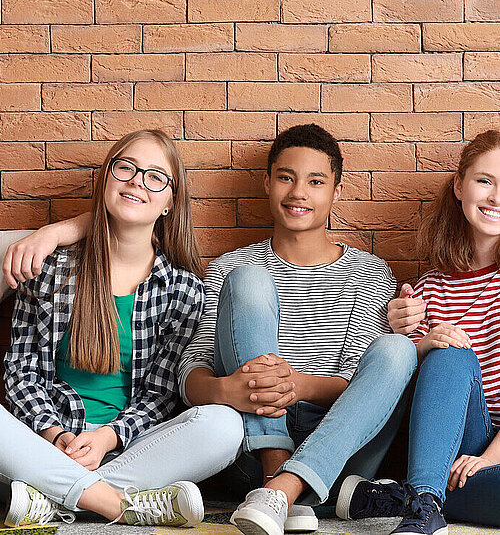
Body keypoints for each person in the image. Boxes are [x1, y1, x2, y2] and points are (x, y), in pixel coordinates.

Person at [4, 124, 417, 535]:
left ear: (337, 191)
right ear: (267, 182)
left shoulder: (368, 272)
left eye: (315, 181)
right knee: (246, 290)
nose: (298, 192)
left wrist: (296, 385)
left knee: (395, 351)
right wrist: (224, 391)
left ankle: (282, 490)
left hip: (334, 442)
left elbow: (361, 384)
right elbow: (184, 375)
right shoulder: (225, 270)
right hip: (245, 447)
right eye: (286, 177)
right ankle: (128, 501)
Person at [0, 129, 243, 529]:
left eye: (154, 177)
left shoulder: (183, 289)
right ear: (106, 179)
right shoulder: (52, 268)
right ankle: (115, 505)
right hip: (42, 443)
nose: (136, 182)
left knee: (224, 426)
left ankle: (55, 499)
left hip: (131, 449)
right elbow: (21, 371)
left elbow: (161, 395)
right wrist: (53, 434)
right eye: (125, 168)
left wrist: (107, 438)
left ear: (170, 202)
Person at [337, 129, 500, 535]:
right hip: (439, 448)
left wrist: (491, 458)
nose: (496, 198)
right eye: (485, 181)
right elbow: (399, 396)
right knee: (448, 350)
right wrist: (418, 343)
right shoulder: (427, 288)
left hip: (493, 448)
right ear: (459, 186)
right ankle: (425, 504)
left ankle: (397, 497)